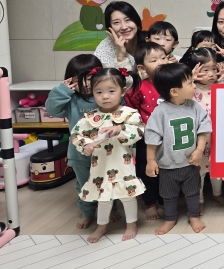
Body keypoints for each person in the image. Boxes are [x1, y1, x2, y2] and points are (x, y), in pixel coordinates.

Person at [45, 54, 121, 229]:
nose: (86, 84)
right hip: (79, 153)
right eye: (78, 80)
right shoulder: (70, 98)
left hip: (107, 152)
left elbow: (121, 110)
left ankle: (111, 208)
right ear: (70, 81)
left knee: (109, 181)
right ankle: (88, 212)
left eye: (89, 78)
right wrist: (62, 91)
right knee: (85, 184)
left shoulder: (104, 96)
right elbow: (52, 110)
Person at [71, 67, 144, 243]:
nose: (105, 96)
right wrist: (85, 145)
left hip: (123, 164)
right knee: (102, 197)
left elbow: (139, 131)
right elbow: (76, 134)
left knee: (128, 195)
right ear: (92, 92)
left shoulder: (129, 114)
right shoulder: (90, 117)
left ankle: (131, 225)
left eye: (111, 91)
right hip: (100, 166)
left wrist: (120, 128)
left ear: (122, 91)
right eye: (99, 92)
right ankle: (101, 226)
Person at [145, 64, 212, 234]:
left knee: (193, 192)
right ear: (175, 91)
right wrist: (151, 160)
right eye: (190, 83)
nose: (194, 86)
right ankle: (170, 219)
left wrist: (199, 150)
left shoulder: (194, 106)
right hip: (168, 165)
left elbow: (204, 129)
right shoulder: (160, 112)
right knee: (168, 195)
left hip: (190, 163)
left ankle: (193, 216)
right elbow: (152, 138)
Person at [184, 47, 224, 215]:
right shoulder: (190, 89)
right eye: (205, 70)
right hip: (199, 139)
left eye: (213, 69)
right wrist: (190, 79)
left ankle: (217, 193)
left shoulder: (221, 85)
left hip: (218, 137)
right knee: (199, 171)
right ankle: (199, 200)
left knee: (217, 168)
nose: (211, 74)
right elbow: (175, 98)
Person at [124, 42, 169, 220]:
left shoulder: (173, 82)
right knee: (147, 171)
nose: (161, 62)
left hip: (170, 136)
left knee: (167, 170)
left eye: (163, 58)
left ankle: (165, 199)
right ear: (142, 67)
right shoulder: (139, 87)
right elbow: (130, 108)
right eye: (154, 60)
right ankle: (150, 203)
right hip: (147, 138)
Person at [94, 1, 146, 71]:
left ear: (136, 21)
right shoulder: (103, 52)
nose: (124, 27)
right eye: (116, 22)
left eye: (128, 20)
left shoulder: (150, 39)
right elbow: (121, 79)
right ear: (110, 27)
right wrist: (120, 56)